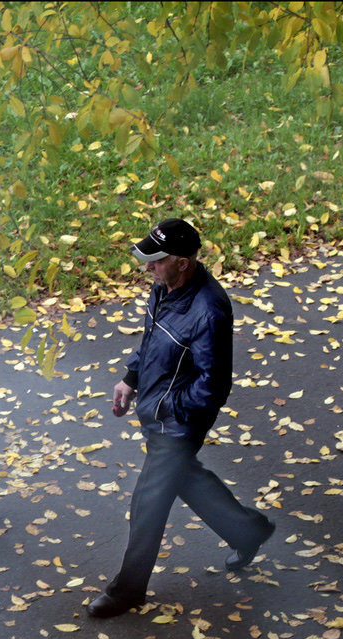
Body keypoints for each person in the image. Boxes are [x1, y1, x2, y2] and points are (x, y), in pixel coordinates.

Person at [88, 217, 275, 618]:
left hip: (179, 422)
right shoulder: (165, 288)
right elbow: (153, 340)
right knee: (185, 478)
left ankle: (128, 590)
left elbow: (213, 387)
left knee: (148, 501)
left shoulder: (209, 311)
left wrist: (167, 409)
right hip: (158, 411)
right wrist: (131, 377)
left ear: (183, 262)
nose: (147, 268)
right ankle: (248, 530)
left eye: (156, 261)